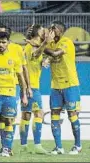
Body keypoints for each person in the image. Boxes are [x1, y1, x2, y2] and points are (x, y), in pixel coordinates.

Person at [44, 21, 81, 155]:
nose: (51, 30)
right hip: (55, 86)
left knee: (72, 115)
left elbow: (55, 54)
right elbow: (46, 56)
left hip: (70, 84)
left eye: (53, 28)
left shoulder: (67, 42)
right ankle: (58, 147)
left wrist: (42, 46)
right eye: (50, 28)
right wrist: (45, 60)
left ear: (60, 30)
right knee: (54, 115)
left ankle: (77, 145)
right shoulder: (50, 44)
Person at [20, 24, 51, 154]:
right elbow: (35, 54)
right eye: (43, 30)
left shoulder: (30, 45)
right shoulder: (31, 46)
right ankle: (37, 145)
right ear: (38, 33)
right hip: (31, 86)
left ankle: (23, 146)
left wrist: (42, 62)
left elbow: (35, 57)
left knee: (26, 115)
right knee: (39, 114)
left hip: (26, 86)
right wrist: (45, 43)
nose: (45, 32)